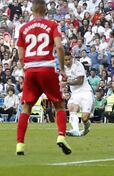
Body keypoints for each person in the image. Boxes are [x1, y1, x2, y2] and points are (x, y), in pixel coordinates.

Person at [15, 0, 71, 155]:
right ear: (45, 10)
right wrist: (62, 68)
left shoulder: (23, 28)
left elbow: (20, 55)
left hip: (30, 69)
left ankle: (20, 144)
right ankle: (61, 136)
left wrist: (26, 71)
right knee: (58, 104)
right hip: (47, 68)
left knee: (27, 107)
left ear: (32, 10)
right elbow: (59, 47)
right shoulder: (52, 25)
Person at [62, 52, 94, 136]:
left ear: (72, 58)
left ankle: (86, 128)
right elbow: (63, 80)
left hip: (86, 92)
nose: (68, 61)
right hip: (75, 93)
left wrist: (67, 83)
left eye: (69, 59)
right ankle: (75, 130)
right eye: (66, 60)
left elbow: (80, 81)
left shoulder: (78, 65)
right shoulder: (63, 68)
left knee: (84, 118)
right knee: (71, 107)